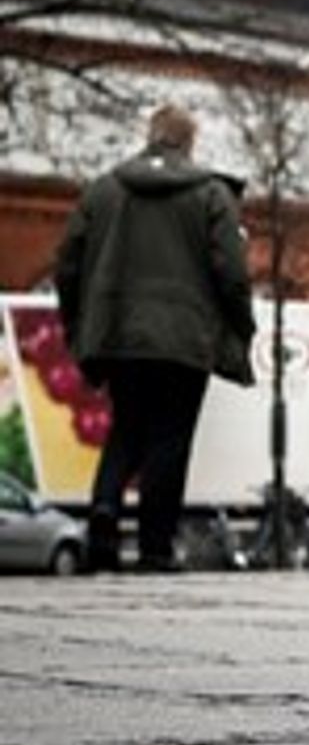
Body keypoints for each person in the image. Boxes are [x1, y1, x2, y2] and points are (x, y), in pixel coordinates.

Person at [52, 105, 256, 572]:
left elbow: (67, 264)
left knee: (126, 426)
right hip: (185, 340)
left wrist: (80, 325)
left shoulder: (103, 190)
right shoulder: (211, 194)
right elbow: (232, 272)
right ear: (189, 144)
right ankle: (154, 547)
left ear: (150, 137)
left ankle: (104, 510)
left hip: (119, 334)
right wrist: (240, 327)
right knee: (170, 437)